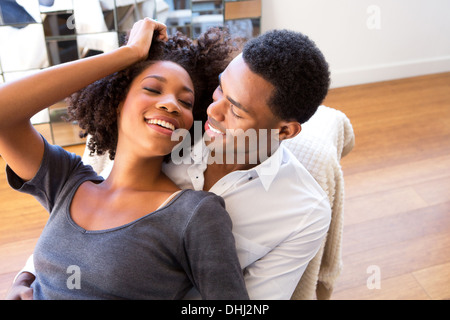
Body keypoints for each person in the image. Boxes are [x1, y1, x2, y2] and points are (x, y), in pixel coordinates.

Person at [10, 26, 332, 300]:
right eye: (220, 88)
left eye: (235, 110)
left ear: (284, 131)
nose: (212, 112)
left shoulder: (303, 212)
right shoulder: (167, 133)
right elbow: (84, 223)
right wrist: (29, 277)